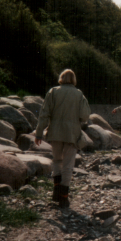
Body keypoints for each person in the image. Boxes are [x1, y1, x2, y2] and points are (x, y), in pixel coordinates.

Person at [35, 69, 91, 208]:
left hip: (55, 133)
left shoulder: (53, 92)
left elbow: (44, 114)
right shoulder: (79, 94)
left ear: (61, 78)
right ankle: (64, 198)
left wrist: (38, 133)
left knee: (57, 161)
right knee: (68, 165)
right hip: (72, 134)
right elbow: (85, 116)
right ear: (74, 80)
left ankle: (56, 193)